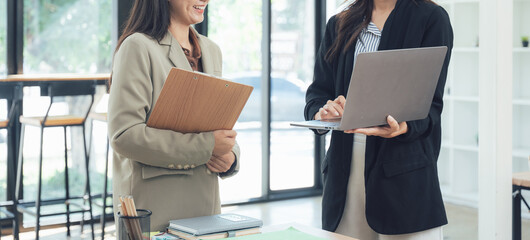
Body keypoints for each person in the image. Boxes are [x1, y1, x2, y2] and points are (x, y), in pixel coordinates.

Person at [305, 0, 453, 239]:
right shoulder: (339, 23)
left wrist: (403, 126)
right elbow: (318, 92)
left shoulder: (431, 18)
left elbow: (431, 104)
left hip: (404, 174)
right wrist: (323, 111)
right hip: (344, 174)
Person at [108, 0, 240, 231]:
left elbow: (217, 122)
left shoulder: (211, 50)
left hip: (205, 209)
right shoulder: (138, 46)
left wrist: (231, 157)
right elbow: (124, 135)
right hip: (156, 208)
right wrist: (207, 145)